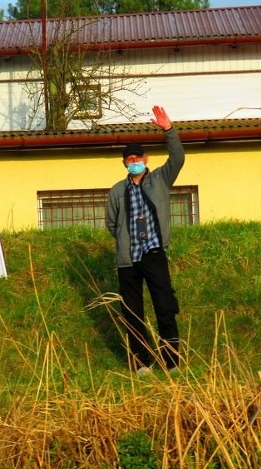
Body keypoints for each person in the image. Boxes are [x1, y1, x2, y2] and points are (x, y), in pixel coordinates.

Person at [105, 105, 184, 374]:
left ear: (146, 158)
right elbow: (112, 223)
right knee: (132, 313)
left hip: (153, 252)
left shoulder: (160, 178)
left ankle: (171, 361)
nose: (134, 161)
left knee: (164, 305)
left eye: (138, 157)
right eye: (129, 159)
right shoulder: (116, 190)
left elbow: (178, 158)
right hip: (128, 260)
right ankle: (141, 363)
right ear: (124, 163)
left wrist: (168, 130)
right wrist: (125, 242)